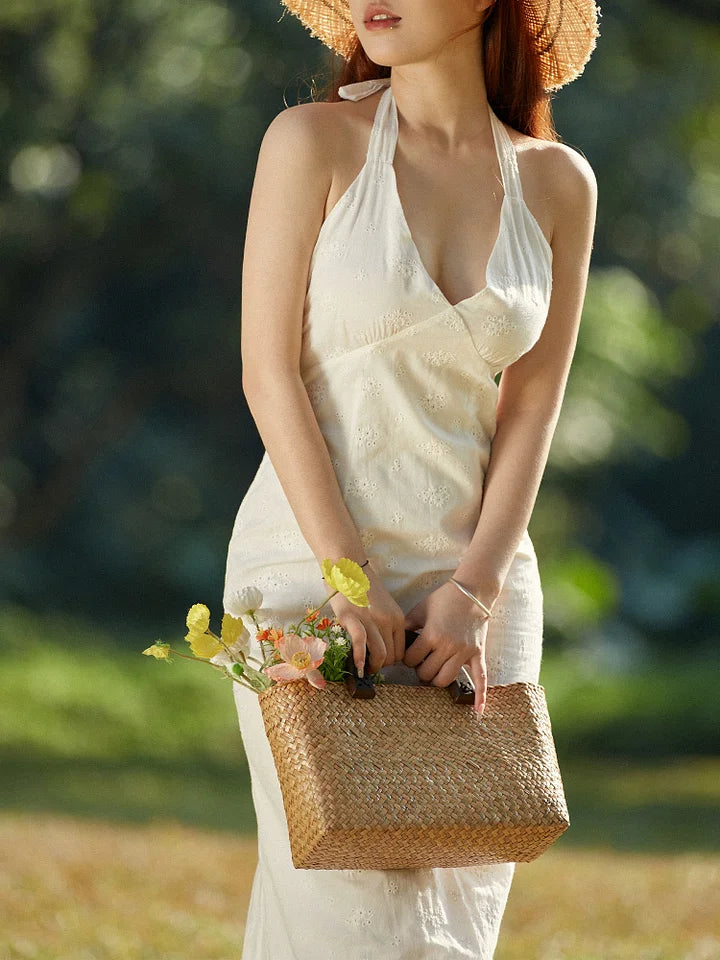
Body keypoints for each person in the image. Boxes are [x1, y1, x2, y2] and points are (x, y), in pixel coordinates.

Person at [222, 0, 599, 955]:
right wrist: (351, 578)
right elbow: (266, 374)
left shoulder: (559, 183)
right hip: (313, 566)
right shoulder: (311, 142)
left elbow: (533, 407)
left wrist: (476, 590)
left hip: (476, 595)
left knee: (456, 917)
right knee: (342, 912)